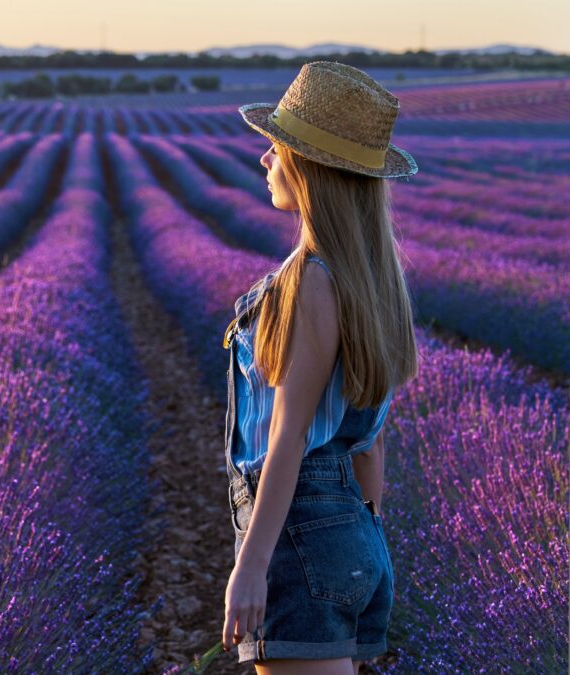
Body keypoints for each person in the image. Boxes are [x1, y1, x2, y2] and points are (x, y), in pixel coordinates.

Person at [220, 61, 420, 674]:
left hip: (298, 532)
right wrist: (363, 536)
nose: (265, 162)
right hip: (352, 530)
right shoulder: (368, 283)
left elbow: (288, 437)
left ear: (306, 168)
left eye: (275, 149)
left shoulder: (309, 281)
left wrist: (252, 565)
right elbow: (369, 440)